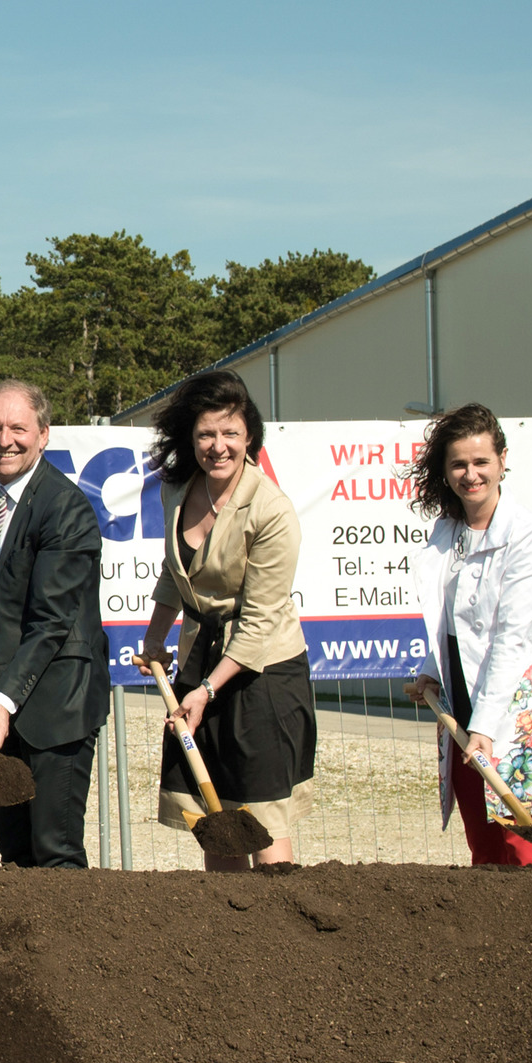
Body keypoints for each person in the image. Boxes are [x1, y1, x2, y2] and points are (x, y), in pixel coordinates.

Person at [135, 369, 313, 870]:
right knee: (216, 822)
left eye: (229, 433)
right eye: (206, 434)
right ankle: (231, 931)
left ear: (249, 436)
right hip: (201, 661)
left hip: (264, 675)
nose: (218, 446)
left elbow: (259, 622)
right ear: (191, 438)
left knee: (260, 819)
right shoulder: (179, 490)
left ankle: (282, 931)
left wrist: (207, 691)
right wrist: (153, 644)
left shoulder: (272, 510)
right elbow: (176, 575)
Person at [403, 404, 532, 865]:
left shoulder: (527, 537)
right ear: (444, 469)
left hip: (522, 714)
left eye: (481, 462)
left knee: (527, 850)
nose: (470, 474)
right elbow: (450, 622)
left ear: (502, 460)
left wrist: (485, 726)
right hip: (462, 705)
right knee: (485, 849)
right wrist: (432, 673)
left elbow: (511, 639)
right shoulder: (447, 530)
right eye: (458, 463)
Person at [0, 380, 110, 868]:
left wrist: (3, 700)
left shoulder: (66, 508)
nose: (4, 439)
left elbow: (51, 620)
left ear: (43, 435)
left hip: (56, 704)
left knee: (55, 853)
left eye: (18, 428)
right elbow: (1, 585)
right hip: (5, 690)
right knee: (13, 850)